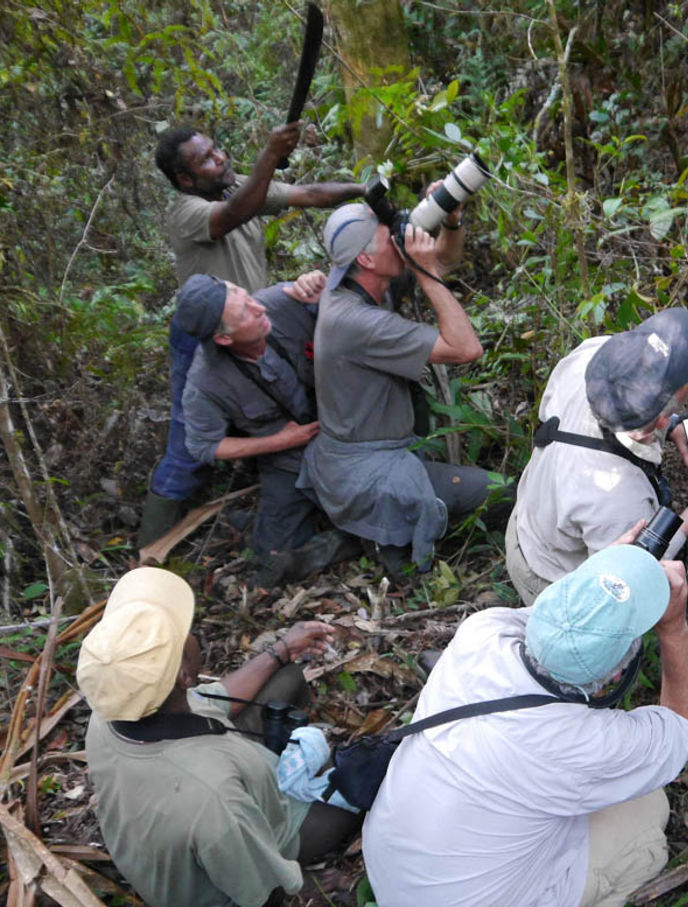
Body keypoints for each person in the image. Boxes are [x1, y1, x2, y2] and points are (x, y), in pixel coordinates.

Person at [362, 541, 688, 907]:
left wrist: (596, 583)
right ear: (613, 677)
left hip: (391, 870)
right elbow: (686, 729)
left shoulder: (481, 632)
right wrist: (673, 629)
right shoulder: (582, 745)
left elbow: (562, 623)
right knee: (648, 808)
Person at [76, 567, 360, 907]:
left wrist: (281, 650)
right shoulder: (211, 794)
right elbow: (257, 886)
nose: (190, 631)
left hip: (194, 816)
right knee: (360, 777)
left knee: (285, 678)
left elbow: (216, 698)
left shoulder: (117, 707)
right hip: (208, 887)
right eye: (182, 635)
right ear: (184, 675)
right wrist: (305, 887)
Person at [142, 122, 366, 544]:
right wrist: (269, 155)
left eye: (217, 150)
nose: (221, 158)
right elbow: (235, 214)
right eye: (206, 160)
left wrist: (364, 189)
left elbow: (309, 195)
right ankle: (151, 548)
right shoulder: (187, 211)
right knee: (190, 446)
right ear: (186, 180)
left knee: (281, 406)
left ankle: (278, 507)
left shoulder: (239, 186)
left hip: (249, 323)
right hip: (206, 335)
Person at [299, 199, 503, 573]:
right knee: (503, 492)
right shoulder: (354, 320)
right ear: (366, 260)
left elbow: (443, 261)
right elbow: (466, 348)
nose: (400, 241)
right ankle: (383, 536)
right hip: (370, 469)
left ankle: (378, 533)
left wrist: (451, 221)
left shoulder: (359, 285)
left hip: (369, 453)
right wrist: (423, 270)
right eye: (389, 239)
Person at [505, 307, 688, 604]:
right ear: (657, 423)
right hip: (549, 577)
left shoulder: (592, 354)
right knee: (625, 633)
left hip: (528, 521)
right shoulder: (619, 496)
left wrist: (675, 425)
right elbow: (627, 574)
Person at [173, 270, 355, 586]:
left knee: (381, 501)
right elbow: (204, 446)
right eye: (245, 312)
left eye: (246, 296)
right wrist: (278, 442)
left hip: (345, 424)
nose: (259, 309)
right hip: (288, 457)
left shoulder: (278, 301)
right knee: (273, 554)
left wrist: (320, 290)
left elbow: (356, 306)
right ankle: (321, 536)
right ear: (224, 338)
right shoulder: (205, 383)